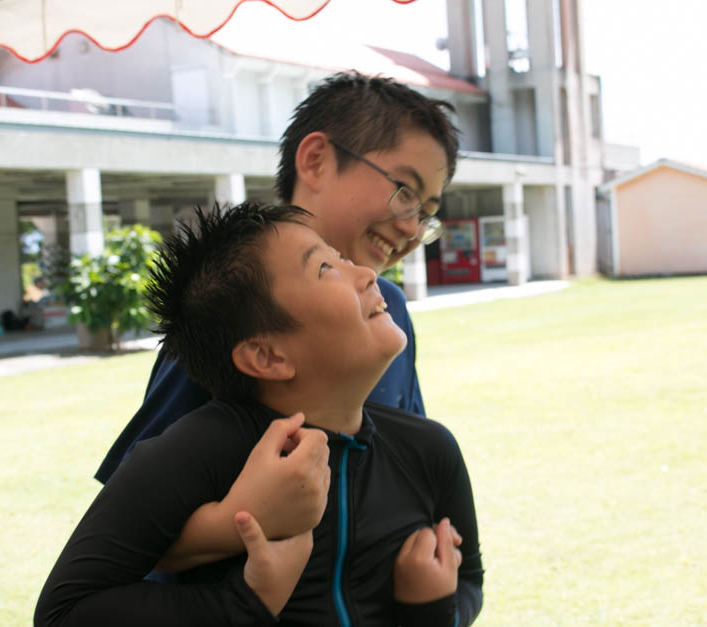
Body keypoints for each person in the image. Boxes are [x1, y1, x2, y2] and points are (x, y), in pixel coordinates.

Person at [35, 203, 483, 626]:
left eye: (342, 259)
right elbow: (64, 611)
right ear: (267, 356)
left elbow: (470, 582)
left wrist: (432, 606)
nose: (367, 275)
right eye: (326, 269)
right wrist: (243, 603)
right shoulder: (199, 451)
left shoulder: (428, 449)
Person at [94, 72, 459, 484]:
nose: (413, 229)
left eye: (426, 212)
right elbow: (132, 508)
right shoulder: (236, 303)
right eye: (405, 192)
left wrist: (428, 535)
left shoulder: (388, 311)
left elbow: (410, 458)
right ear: (316, 160)